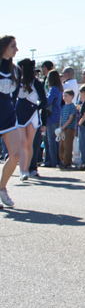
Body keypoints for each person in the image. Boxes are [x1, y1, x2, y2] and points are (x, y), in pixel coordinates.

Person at [15, 58, 46, 181]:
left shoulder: (36, 82)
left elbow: (44, 100)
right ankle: (23, 171)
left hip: (32, 115)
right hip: (19, 114)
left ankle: (27, 168)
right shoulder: (17, 81)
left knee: (29, 144)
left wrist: (36, 108)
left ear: (23, 68)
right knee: (22, 143)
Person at [0, 35, 22, 208]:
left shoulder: (16, 70)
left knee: (15, 155)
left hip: (8, 115)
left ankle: (1, 188)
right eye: (13, 46)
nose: (16, 49)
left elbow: (14, 97)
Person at [43, 69, 63, 167]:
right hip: (57, 115)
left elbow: (48, 101)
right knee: (55, 140)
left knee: (50, 140)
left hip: (52, 116)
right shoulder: (59, 88)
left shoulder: (53, 89)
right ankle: (57, 160)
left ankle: (52, 161)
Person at [59, 89, 78, 169]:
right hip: (63, 128)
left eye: (66, 96)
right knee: (62, 145)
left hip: (69, 128)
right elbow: (61, 117)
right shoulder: (64, 107)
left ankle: (67, 162)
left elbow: (71, 118)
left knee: (68, 145)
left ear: (71, 96)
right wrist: (60, 126)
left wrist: (64, 126)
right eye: (63, 96)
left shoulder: (73, 107)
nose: (64, 97)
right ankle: (62, 160)